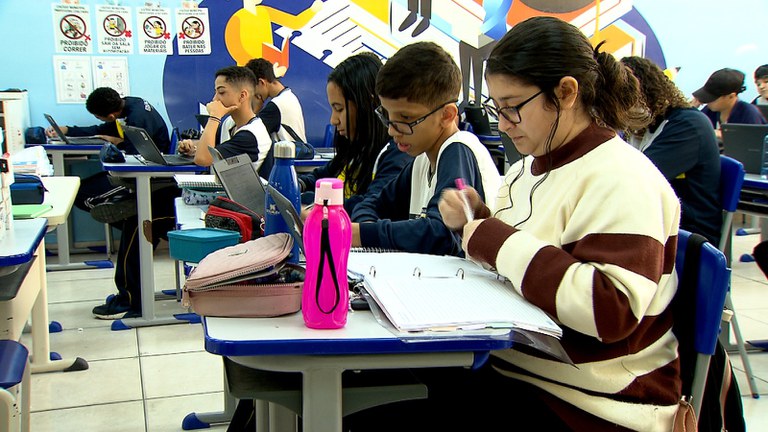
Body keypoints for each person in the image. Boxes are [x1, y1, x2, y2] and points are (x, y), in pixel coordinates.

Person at [347, 16, 682, 431]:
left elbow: (607, 310)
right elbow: (511, 257)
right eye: (497, 108)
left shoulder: (623, 177)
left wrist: (488, 235)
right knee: (355, 387)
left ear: (565, 93)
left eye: (512, 108)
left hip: (592, 404)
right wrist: (477, 223)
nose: (502, 124)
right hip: (518, 374)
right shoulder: (528, 171)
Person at [349, 41, 501, 255]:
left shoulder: (458, 150)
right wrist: (364, 232)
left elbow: (439, 234)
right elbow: (372, 202)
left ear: (447, 115)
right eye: (387, 116)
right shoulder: (422, 160)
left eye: (406, 118)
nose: (392, 131)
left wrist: (359, 234)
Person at [622, 56, 722, 245]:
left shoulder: (689, 125)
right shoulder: (641, 127)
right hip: (655, 223)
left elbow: (635, 179)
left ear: (646, 92)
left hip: (688, 233)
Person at [298, 52, 412, 215]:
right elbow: (322, 175)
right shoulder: (356, 148)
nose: (333, 120)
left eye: (339, 109)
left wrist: (312, 202)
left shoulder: (396, 154)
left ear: (367, 103)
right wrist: (298, 185)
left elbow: (371, 204)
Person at [46, 86, 171, 221]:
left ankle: (131, 212)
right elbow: (101, 130)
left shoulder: (136, 119)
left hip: (148, 172)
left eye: (98, 117)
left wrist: (116, 141)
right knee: (79, 188)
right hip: (141, 164)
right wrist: (67, 130)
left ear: (111, 116)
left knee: (83, 196)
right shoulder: (130, 104)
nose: (99, 120)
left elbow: (134, 155)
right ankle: (128, 214)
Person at [177, 65, 272, 174]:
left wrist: (214, 117)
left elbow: (203, 159)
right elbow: (211, 147)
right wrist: (192, 147)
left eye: (221, 92)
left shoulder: (250, 136)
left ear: (242, 96)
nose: (214, 99)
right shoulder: (230, 123)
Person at [693, 68, 766, 143]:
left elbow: (754, 144)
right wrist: (691, 111)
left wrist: (725, 135)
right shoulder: (710, 110)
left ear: (731, 96)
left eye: (712, 98)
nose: (707, 101)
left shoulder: (749, 113)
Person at [244, 57, 307, 143]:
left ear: (261, 83)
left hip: (288, 155)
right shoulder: (289, 96)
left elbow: (248, 135)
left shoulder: (276, 106)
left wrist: (255, 109)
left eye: (253, 88)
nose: (253, 94)